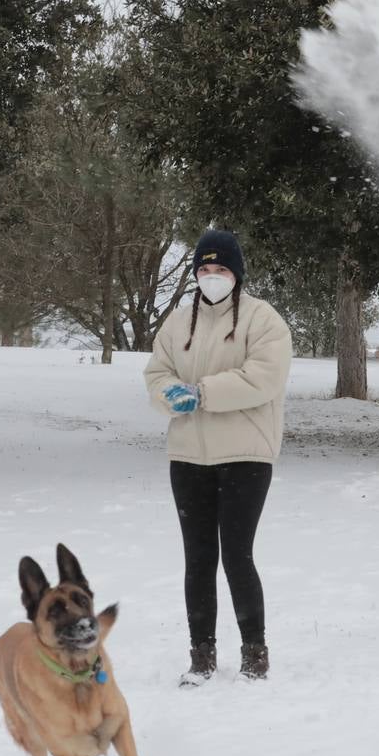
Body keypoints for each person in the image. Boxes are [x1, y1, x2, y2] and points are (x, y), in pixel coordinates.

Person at [144, 229, 293, 687]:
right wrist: (170, 395)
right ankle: (202, 657)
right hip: (189, 455)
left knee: (237, 554)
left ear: (237, 274)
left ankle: (255, 653)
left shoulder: (263, 320)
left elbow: (263, 378)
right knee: (198, 556)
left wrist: (204, 392)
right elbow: (157, 372)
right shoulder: (177, 323)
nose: (212, 278)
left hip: (245, 454)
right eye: (204, 270)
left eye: (221, 270)